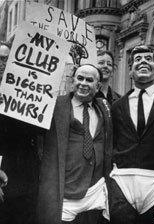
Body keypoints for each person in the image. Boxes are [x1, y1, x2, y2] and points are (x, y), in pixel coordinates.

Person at [36, 64, 112, 224]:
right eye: (80, 78)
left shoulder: (104, 109)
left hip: (95, 193)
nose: (83, 83)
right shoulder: (54, 106)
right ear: (72, 81)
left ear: (98, 86)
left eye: (89, 80)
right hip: (64, 194)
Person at [109, 45, 154, 224]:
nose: (143, 61)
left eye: (148, 58)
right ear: (130, 71)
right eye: (137, 59)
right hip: (122, 183)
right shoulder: (116, 106)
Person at [0, 42, 41, 223]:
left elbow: (39, 130)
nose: (2, 63)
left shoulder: (28, 91)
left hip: (24, 173)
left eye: (6, 59)